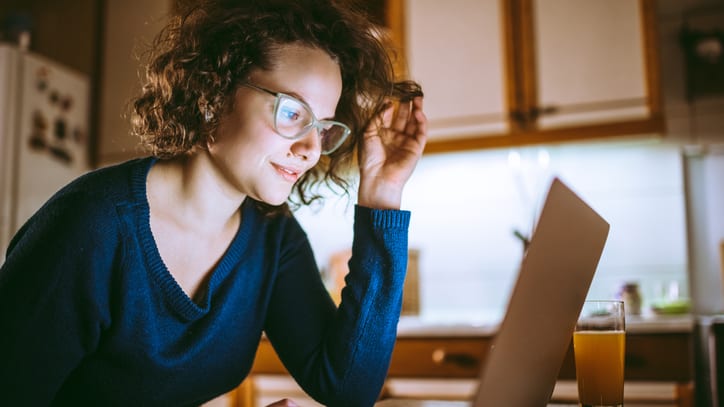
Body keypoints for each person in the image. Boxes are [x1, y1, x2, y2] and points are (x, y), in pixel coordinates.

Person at [0, 0, 427, 406]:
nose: (312, 148)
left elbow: (347, 388)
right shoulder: (90, 228)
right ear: (213, 93)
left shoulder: (271, 235)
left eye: (324, 127)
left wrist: (382, 195)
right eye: (293, 113)